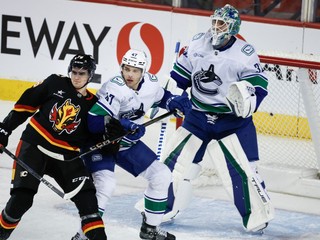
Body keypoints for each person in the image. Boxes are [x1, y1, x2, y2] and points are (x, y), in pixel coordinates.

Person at [161, 4, 274, 233]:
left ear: (232, 27)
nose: (215, 27)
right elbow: (179, 78)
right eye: (214, 22)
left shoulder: (245, 53)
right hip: (198, 116)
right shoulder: (196, 43)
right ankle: (162, 207)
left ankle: (257, 215)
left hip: (232, 121)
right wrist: (174, 99)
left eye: (221, 23)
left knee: (247, 170)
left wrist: (247, 103)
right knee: (176, 163)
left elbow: (259, 88)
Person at [71, 49, 191, 240]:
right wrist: (121, 125)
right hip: (101, 142)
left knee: (161, 175)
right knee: (106, 185)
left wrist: (173, 102)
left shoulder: (151, 83)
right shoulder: (114, 87)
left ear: (143, 72)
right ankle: (82, 237)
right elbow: (93, 120)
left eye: (135, 71)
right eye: (126, 69)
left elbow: (162, 97)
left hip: (126, 143)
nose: (129, 74)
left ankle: (150, 228)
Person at [0, 54, 108, 240]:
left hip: (67, 158)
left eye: (82, 73)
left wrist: (111, 139)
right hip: (34, 147)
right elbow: (24, 106)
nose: (77, 77)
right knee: (22, 199)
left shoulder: (93, 105)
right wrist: (4, 129)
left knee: (88, 201)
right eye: (74, 72)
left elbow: (93, 140)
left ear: (90, 75)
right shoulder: (54, 83)